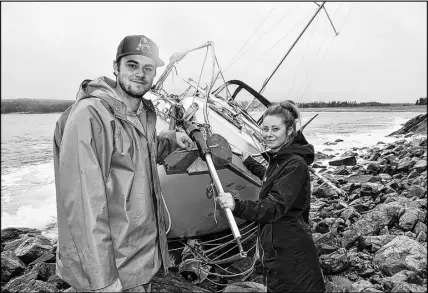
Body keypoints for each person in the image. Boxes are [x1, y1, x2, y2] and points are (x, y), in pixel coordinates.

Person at [53, 35, 193, 292]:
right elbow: (84, 203)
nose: (140, 74)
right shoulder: (91, 115)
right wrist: (103, 280)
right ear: (115, 67)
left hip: (139, 262)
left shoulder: (143, 113)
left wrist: (172, 139)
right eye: (132, 65)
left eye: (147, 68)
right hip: (113, 269)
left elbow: (138, 155)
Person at [217, 101, 325, 292]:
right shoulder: (280, 158)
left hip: (291, 251)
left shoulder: (295, 164)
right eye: (265, 128)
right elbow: (271, 178)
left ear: (290, 130)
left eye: (275, 129)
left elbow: (273, 207)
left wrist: (237, 206)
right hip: (278, 247)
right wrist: (249, 162)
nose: (268, 134)